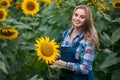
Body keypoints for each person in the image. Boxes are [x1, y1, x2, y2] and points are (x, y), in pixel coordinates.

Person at [53, 5, 99, 80]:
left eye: (82, 17)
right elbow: (65, 56)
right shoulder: (66, 34)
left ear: (87, 20)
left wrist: (65, 64)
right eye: (76, 15)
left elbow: (85, 68)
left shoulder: (88, 39)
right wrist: (53, 57)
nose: (77, 19)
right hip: (65, 77)